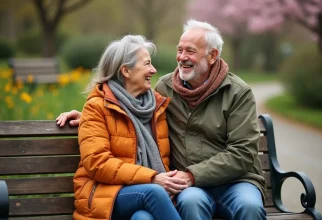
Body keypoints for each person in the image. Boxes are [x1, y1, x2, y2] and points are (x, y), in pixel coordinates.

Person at [57, 19, 267, 220]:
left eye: (190, 51)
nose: (181, 57)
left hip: (235, 181)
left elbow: (242, 152)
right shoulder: (165, 90)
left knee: (247, 206)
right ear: (125, 70)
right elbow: (116, 115)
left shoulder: (236, 93)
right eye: (180, 50)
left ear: (212, 56)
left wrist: (191, 176)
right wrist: (88, 118)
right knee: (186, 202)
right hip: (150, 190)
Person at [66, 35, 185, 220]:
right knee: (153, 193)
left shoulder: (155, 107)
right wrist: (153, 178)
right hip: (105, 195)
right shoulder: (97, 107)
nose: (153, 70)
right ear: (126, 71)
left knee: (142, 218)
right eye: (147, 64)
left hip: (140, 194)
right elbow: (98, 163)